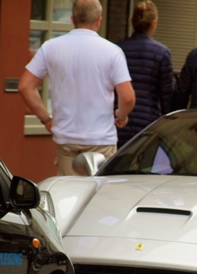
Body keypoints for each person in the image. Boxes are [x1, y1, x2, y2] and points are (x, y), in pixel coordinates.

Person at [19, 0, 135, 176]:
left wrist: (46, 119)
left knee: (68, 193)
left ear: (72, 19)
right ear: (99, 20)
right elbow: (128, 98)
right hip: (101, 139)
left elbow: (25, 86)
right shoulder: (112, 51)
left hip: (66, 137)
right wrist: (121, 115)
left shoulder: (51, 47)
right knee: (99, 193)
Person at [116, 0, 173, 148]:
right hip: (148, 123)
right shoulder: (161, 53)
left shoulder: (118, 49)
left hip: (119, 119)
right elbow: (166, 96)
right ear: (154, 23)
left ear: (132, 21)